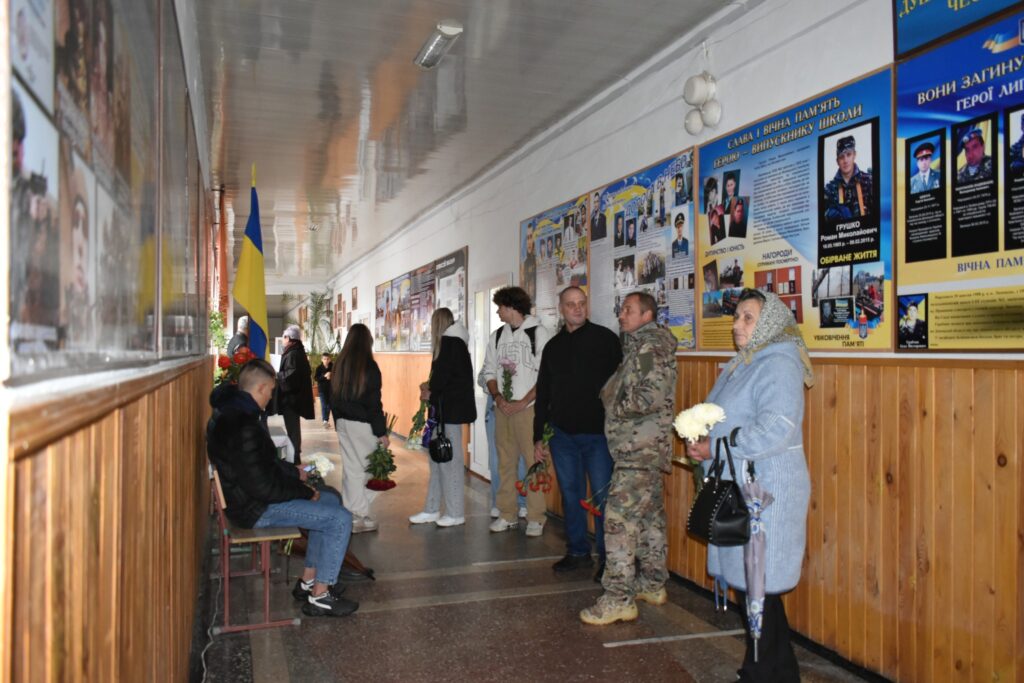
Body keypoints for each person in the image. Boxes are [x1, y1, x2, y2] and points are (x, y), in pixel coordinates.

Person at [685, 288, 814, 681]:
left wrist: (717, 447)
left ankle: (766, 672)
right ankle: (771, 670)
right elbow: (719, 414)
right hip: (743, 485)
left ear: (770, 323)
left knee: (760, 588)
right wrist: (701, 436)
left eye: (748, 318)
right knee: (753, 589)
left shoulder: (779, 364)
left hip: (767, 493)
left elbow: (776, 428)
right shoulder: (744, 362)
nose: (737, 325)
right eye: (736, 316)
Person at [206, 359, 358, 617]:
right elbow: (263, 487)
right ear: (261, 388)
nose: (270, 397)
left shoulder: (231, 413)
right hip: (255, 509)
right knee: (340, 518)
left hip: (248, 500)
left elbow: (263, 465)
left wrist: (295, 472)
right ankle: (320, 596)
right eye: (271, 391)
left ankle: (309, 581)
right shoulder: (243, 425)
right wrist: (305, 491)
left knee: (331, 500)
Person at [580, 291, 677, 626]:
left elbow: (649, 396)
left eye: (628, 310)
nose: (621, 315)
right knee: (649, 519)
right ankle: (652, 583)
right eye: (621, 309)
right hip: (643, 448)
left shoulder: (650, 347)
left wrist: (613, 406)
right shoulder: (640, 345)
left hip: (639, 449)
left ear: (646, 315)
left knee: (618, 521)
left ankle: (618, 598)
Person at [533, 287, 621, 578]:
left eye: (582, 303)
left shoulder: (606, 340)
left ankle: (610, 560)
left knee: (604, 498)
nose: (578, 308)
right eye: (571, 304)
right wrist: (538, 436)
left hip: (598, 436)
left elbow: (621, 386)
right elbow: (544, 392)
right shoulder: (553, 347)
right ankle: (578, 552)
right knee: (571, 495)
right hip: (562, 437)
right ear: (561, 308)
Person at [480, 286, 551, 536]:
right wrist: (498, 398)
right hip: (503, 409)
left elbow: (545, 376)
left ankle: (536, 517)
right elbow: (489, 371)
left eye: (500, 307)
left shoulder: (538, 333)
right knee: (505, 463)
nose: (498, 312)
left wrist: (523, 402)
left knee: (533, 463)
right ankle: (507, 513)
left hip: (528, 410)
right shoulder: (497, 336)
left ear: (511, 307)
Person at [410, 308, 477, 527]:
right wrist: (430, 388)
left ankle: (455, 513)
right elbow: (446, 379)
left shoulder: (450, 344)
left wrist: (430, 392)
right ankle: (431, 509)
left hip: (451, 413)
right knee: (437, 460)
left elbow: (445, 381)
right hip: (444, 412)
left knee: (450, 463)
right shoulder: (454, 343)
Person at [331, 324, 389, 534]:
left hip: (343, 423)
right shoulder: (369, 367)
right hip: (363, 425)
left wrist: (338, 422)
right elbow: (374, 404)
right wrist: (381, 432)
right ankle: (360, 514)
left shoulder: (340, 365)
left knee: (352, 470)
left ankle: (353, 515)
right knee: (373, 469)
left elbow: (333, 397)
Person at [278, 325, 314, 463]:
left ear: (289, 338)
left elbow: (291, 376)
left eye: (284, 337)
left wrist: (277, 375)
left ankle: (294, 456)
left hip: (292, 398)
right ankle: (294, 454)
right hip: (294, 397)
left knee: (292, 428)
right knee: (293, 427)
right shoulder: (296, 351)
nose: (283, 340)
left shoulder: (293, 353)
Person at [823, 136, 873, 221]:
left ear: (854, 155)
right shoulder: (829, 189)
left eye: (849, 154)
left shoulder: (869, 181)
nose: (845, 160)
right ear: (837, 161)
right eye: (841, 157)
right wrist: (828, 214)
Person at [315, 353, 333, 428]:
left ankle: (326, 420)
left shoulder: (333, 367)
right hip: (322, 389)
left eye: (327, 359)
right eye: (324, 359)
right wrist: (324, 376)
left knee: (329, 405)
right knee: (324, 405)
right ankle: (325, 421)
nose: (326, 360)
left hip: (331, 389)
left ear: (330, 359)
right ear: (322, 359)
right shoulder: (319, 368)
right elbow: (316, 378)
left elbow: (338, 376)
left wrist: (331, 375)